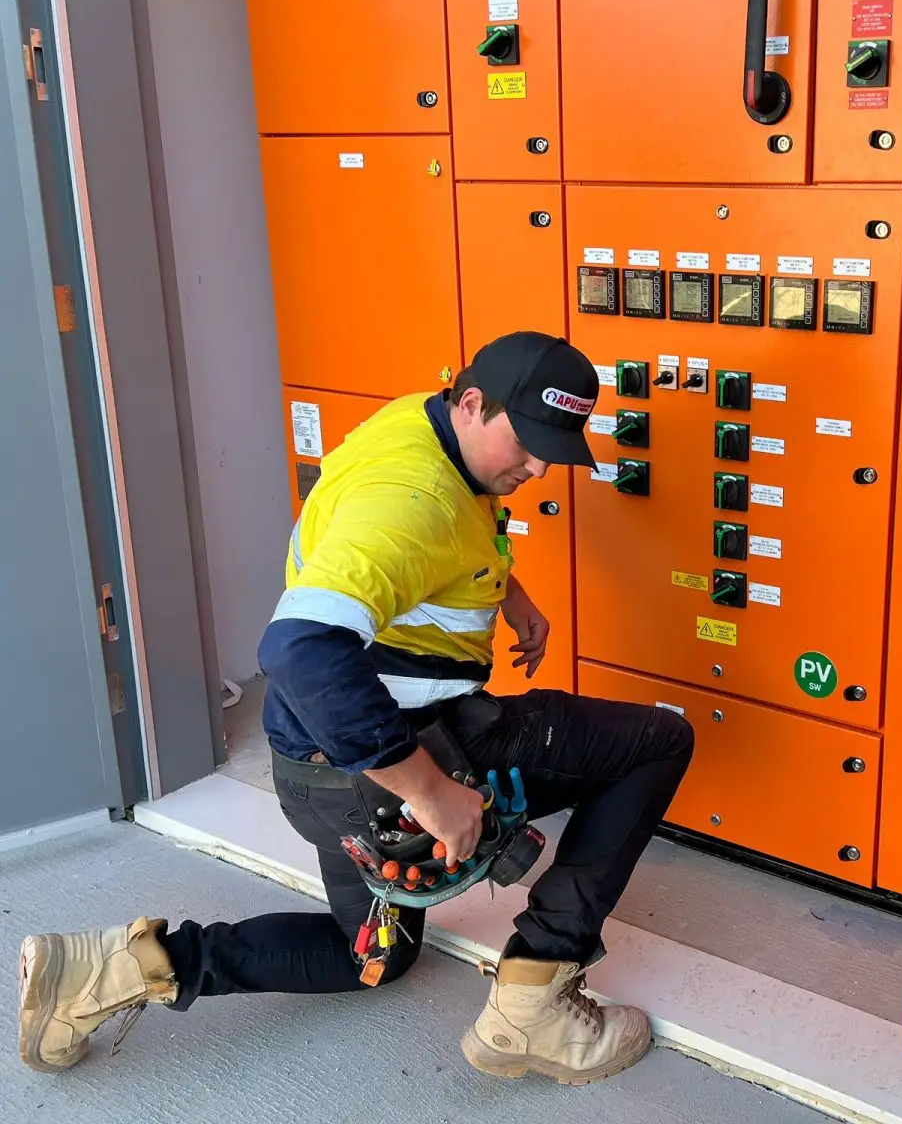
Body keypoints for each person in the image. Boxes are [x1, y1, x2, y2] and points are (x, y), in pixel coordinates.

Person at [17, 332, 695, 1086]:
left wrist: (510, 593)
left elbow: (434, 536)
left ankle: (117, 967)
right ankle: (536, 998)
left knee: (368, 954)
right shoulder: (412, 503)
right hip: (399, 768)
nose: (536, 468)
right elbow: (300, 649)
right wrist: (431, 794)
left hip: (317, 774)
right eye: (527, 445)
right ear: (472, 403)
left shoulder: (419, 425)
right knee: (656, 741)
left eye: (553, 449)